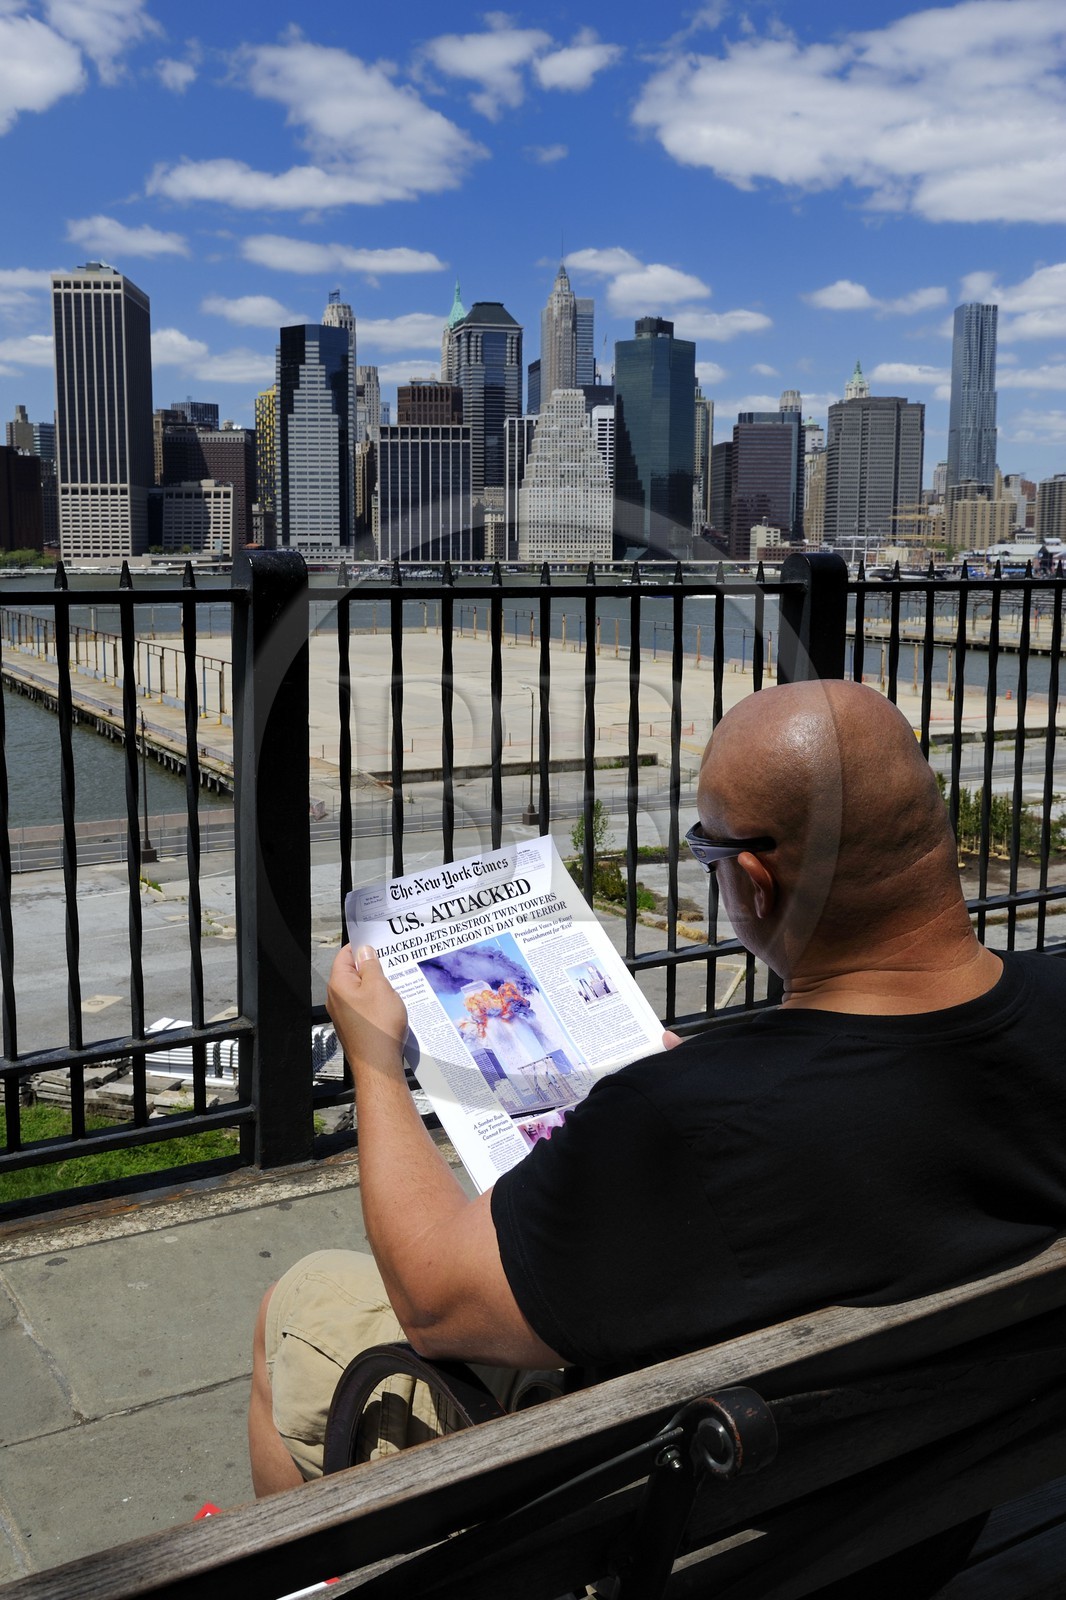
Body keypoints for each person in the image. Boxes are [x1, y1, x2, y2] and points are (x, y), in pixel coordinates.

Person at [249, 678, 1066, 1499]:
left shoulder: (684, 1124)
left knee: (300, 1302)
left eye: (708, 855)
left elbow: (431, 1303)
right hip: (929, 1491)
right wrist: (717, 1075)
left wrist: (377, 1064)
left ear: (753, 883)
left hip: (701, 1525)